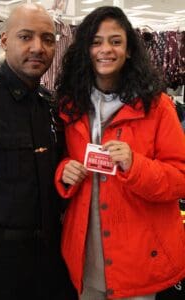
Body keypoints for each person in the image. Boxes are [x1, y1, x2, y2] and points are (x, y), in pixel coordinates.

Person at [54, 6, 185, 300]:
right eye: (96, 41)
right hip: (85, 253)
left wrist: (134, 165)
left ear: (129, 51)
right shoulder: (69, 106)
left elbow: (181, 178)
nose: (105, 50)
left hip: (139, 257)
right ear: (85, 49)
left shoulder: (158, 106)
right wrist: (64, 171)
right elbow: (61, 159)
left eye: (115, 41)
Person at [0, 3, 76, 300]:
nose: (38, 47)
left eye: (47, 39)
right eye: (25, 37)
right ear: (4, 40)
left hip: (51, 262)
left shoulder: (52, 106)